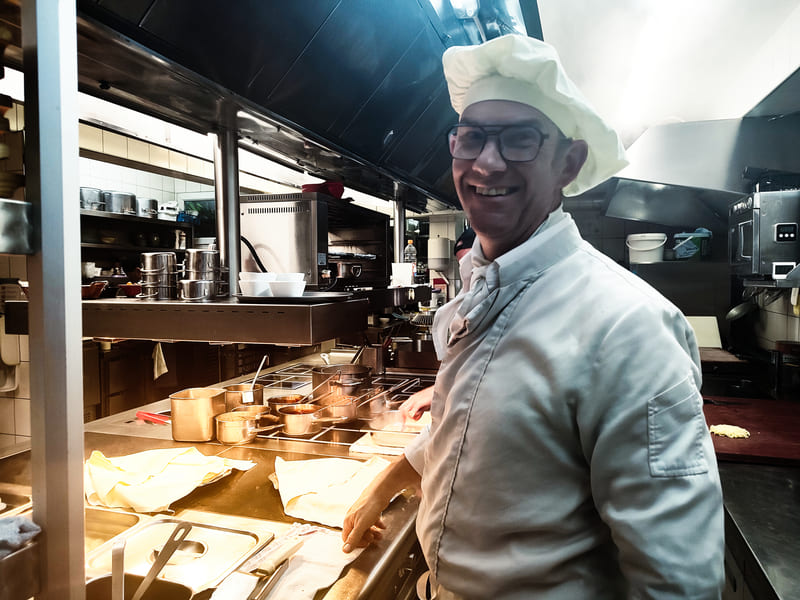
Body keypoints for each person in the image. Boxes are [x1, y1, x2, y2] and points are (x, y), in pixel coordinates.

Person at [342, 34, 724, 599]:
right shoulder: (480, 287)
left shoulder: (626, 327)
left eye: (520, 139)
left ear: (568, 163)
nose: (486, 162)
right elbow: (464, 422)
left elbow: (677, 579)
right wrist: (388, 482)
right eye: (471, 138)